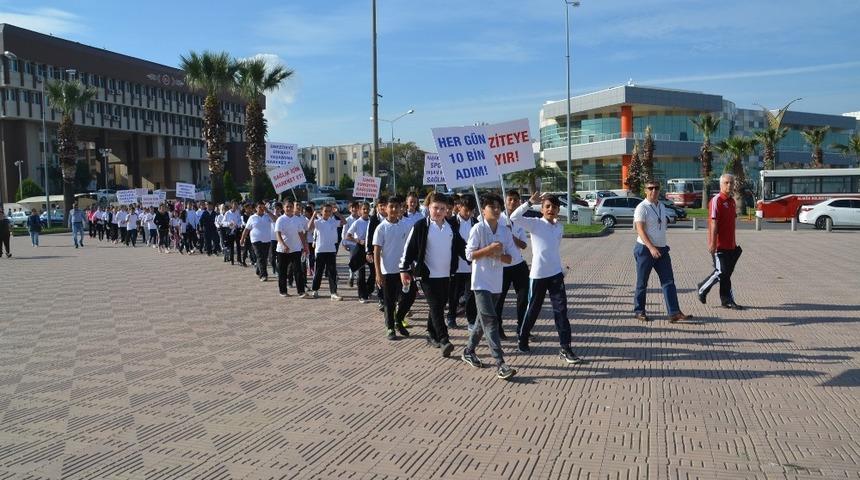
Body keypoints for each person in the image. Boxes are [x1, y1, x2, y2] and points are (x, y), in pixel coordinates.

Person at [510, 192, 585, 365]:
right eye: (547, 207)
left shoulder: (559, 227)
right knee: (533, 310)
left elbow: (553, 250)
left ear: (559, 209)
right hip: (538, 275)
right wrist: (529, 202)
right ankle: (523, 339)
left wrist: (560, 269)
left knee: (561, 311)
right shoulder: (535, 224)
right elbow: (514, 217)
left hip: (556, 275)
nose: (551, 210)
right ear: (542, 209)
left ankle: (565, 347)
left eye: (554, 207)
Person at [460, 193, 517, 379]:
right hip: (480, 283)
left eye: (498, 206)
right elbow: (469, 255)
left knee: (481, 322)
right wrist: (489, 250)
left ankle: (468, 350)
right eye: (492, 206)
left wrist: (498, 256)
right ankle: (500, 363)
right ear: (483, 210)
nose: (496, 209)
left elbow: (511, 258)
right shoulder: (477, 229)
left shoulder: (505, 230)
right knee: (491, 321)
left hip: (496, 283)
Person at [400, 192, 461, 358]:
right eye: (436, 208)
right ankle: (444, 339)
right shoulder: (421, 226)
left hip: (446, 275)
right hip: (427, 275)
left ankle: (431, 333)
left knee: (440, 305)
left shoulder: (451, 227)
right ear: (428, 208)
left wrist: (474, 254)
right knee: (435, 306)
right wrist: (404, 270)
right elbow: (409, 249)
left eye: (443, 208)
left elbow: (461, 246)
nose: (439, 211)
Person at [632, 179, 693, 322]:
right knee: (642, 282)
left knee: (668, 281)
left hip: (662, 249)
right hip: (645, 249)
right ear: (645, 191)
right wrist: (651, 247)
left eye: (656, 188)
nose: (654, 191)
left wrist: (660, 245)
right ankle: (639, 311)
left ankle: (674, 313)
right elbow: (639, 229)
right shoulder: (642, 207)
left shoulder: (661, 206)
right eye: (650, 188)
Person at [697, 173, 745, 310]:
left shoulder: (732, 201)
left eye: (731, 182)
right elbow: (713, 223)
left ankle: (727, 300)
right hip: (719, 246)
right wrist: (712, 243)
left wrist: (734, 244)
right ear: (721, 184)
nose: (729, 185)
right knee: (721, 272)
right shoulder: (716, 200)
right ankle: (702, 288)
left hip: (731, 245)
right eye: (726, 183)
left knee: (726, 275)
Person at [372, 196, 414, 339]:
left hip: (403, 270)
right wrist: (378, 272)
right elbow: (376, 251)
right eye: (391, 207)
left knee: (410, 295)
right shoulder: (381, 228)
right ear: (385, 208)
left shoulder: (405, 225)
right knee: (389, 301)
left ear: (401, 208)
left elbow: (409, 247)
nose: (394, 210)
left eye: (397, 207)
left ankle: (399, 319)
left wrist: (411, 265)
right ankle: (390, 327)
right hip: (388, 271)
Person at [495, 190, 530, 339]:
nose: (513, 202)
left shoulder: (520, 219)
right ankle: (498, 327)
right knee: (499, 299)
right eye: (510, 199)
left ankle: (522, 327)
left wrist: (512, 236)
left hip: (518, 264)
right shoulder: (498, 219)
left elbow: (524, 245)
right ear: (505, 201)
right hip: (502, 265)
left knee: (524, 296)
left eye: (516, 200)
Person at [447, 195, 478, 330]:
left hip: (471, 266)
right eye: (466, 209)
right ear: (459, 207)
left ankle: (471, 320)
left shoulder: (476, 223)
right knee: (453, 294)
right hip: (455, 265)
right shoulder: (451, 222)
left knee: (470, 295)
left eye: (471, 210)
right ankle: (451, 317)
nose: (468, 213)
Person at [308, 203, 344, 300]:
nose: (327, 213)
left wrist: (338, 213)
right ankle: (315, 289)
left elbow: (344, 222)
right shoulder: (318, 222)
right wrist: (314, 214)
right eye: (325, 211)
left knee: (332, 272)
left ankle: (333, 293)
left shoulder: (333, 221)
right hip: (320, 250)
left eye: (329, 211)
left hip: (331, 250)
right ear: (321, 211)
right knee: (318, 271)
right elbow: (309, 227)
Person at [275, 201, 310, 298]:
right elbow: (278, 234)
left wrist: (305, 246)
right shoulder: (280, 219)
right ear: (283, 207)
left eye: (291, 207)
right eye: (287, 207)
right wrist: (283, 245)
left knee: (298, 271)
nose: (289, 208)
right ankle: (283, 291)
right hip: (283, 250)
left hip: (296, 249)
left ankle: (301, 291)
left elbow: (301, 234)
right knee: (282, 271)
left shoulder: (297, 219)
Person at [240, 202, 276, 281]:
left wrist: (268, 211)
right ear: (256, 208)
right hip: (256, 240)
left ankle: (258, 269)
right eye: (260, 207)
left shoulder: (267, 216)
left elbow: (275, 219)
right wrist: (242, 239)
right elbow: (246, 229)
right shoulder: (252, 218)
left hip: (267, 240)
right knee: (260, 257)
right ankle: (264, 275)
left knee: (264, 257)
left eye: (263, 207)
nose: (261, 209)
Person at [345, 202, 371, 303]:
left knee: (374, 272)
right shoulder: (357, 222)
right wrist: (358, 240)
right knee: (361, 273)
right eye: (364, 209)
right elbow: (348, 235)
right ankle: (362, 295)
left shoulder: (371, 221)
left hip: (370, 249)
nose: (366, 211)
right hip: (360, 248)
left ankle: (368, 290)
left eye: (367, 209)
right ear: (360, 211)